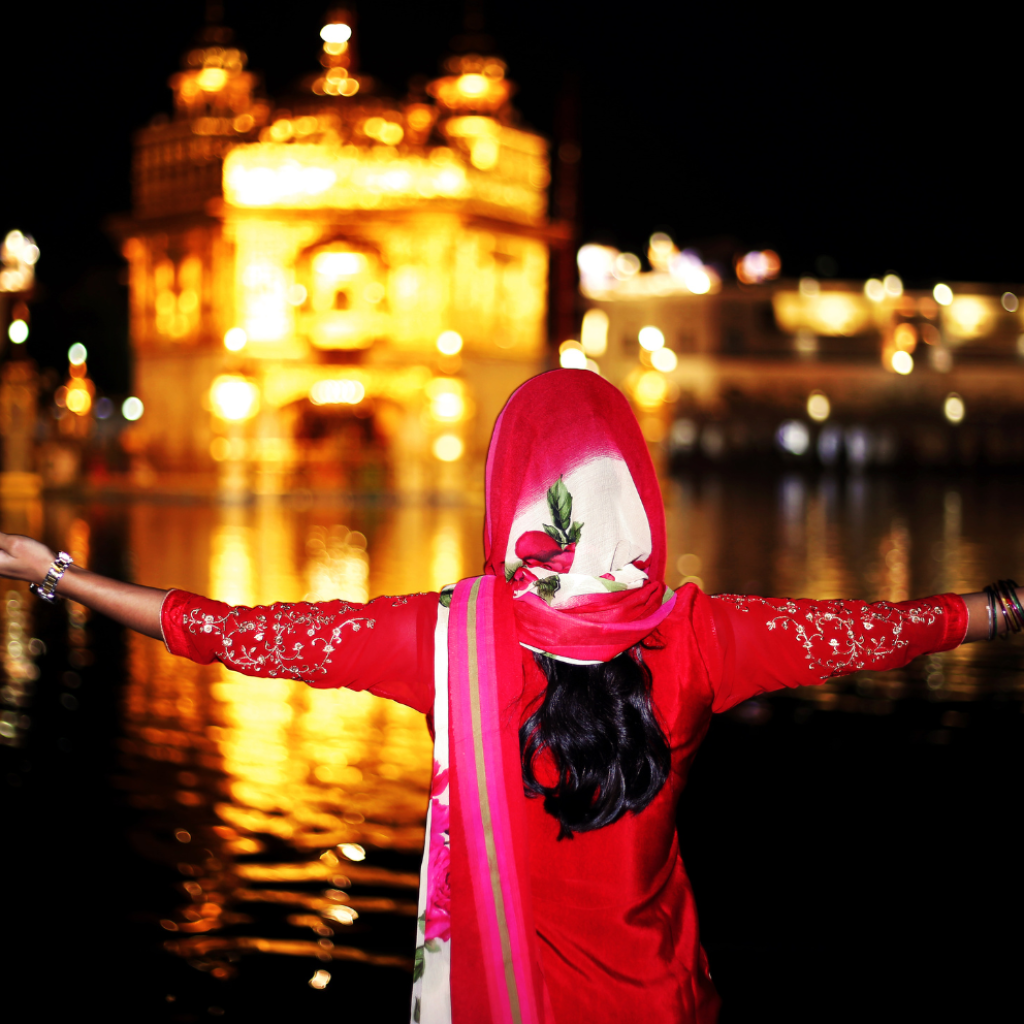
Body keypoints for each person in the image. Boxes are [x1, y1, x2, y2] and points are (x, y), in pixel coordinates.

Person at [0, 369, 1017, 1024]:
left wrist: (60, 573)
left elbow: (229, 631)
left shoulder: (441, 637)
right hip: (664, 1002)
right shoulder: (707, 634)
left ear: (512, 492)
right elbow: (881, 630)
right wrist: (1005, 604)